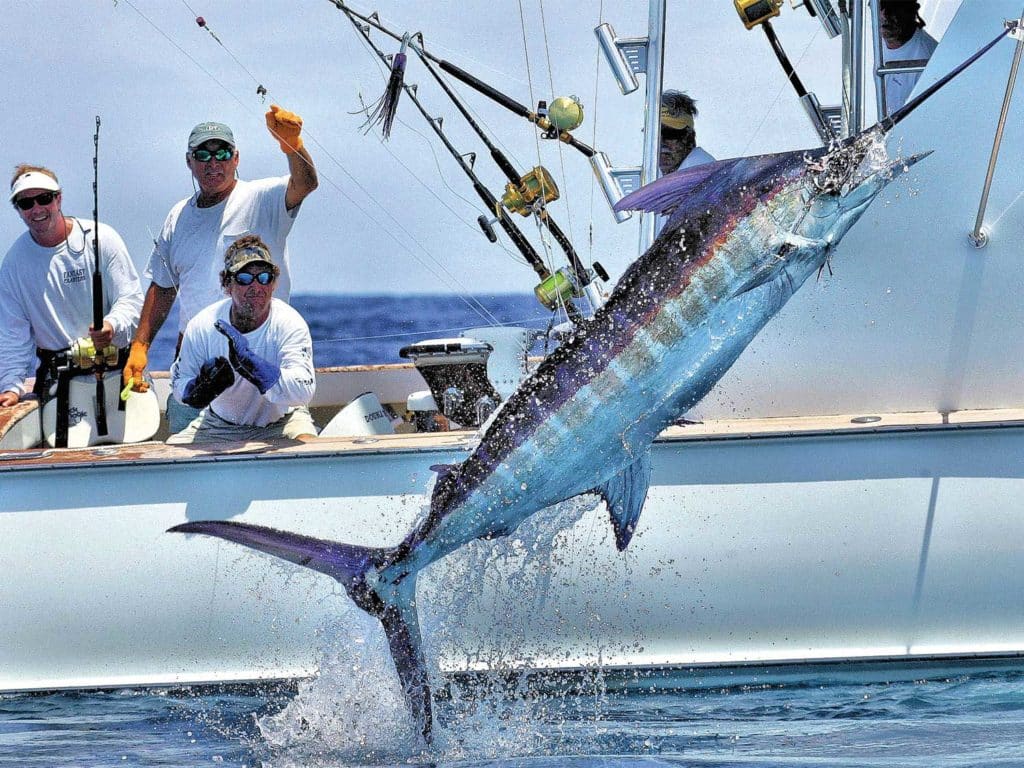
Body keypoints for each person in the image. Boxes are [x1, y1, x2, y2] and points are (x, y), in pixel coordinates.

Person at [124, 104, 318, 431]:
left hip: (260, 357)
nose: (214, 163)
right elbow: (163, 286)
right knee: (187, 468)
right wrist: (140, 346)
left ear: (237, 158)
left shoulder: (263, 197)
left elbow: (305, 182)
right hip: (200, 361)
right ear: (189, 161)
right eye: (203, 154)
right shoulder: (177, 216)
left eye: (223, 153)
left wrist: (293, 147)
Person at [0, 165, 143, 407]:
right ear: (19, 210)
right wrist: (11, 387)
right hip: (57, 378)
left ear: (58, 198)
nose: (36, 209)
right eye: (26, 204)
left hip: (117, 369)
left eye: (43, 199)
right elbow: (13, 335)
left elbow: (131, 298)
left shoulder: (103, 238)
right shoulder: (13, 264)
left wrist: (112, 325)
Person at [167, 235, 316, 444]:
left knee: (309, 448)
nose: (256, 286)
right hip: (219, 425)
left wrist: (255, 368)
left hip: (283, 423)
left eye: (264, 277)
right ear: (227, 284)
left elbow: (304, 391)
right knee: (173, 453)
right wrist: (198, 389)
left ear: (273, 284)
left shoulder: (290, 323)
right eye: (245, 278)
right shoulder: (202, 326)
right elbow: (178, 381)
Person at [879, 0, 938, 115]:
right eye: (881, 5)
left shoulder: (926, 60)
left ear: (909, 11)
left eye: (892, 6)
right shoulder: (879, 37)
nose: (884, 14)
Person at [659, 90, 715, 176]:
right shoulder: (651, 176)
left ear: (689, 138)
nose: (660, 142)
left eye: (669, 133)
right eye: (654, 137)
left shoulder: (704, 174)